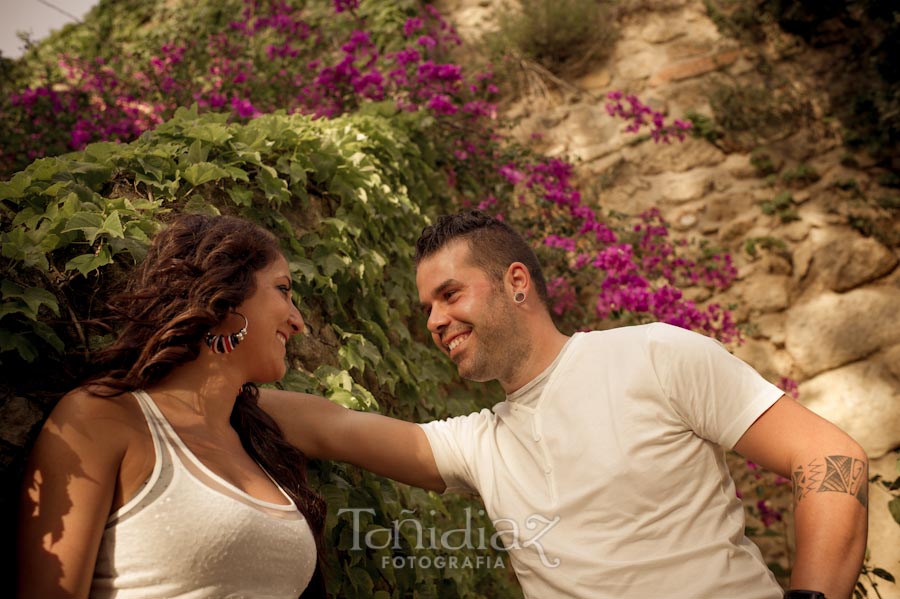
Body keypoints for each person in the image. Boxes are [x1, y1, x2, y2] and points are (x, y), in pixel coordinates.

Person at [260, 210, 868, 599]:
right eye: (427, 310)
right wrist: (189, 382)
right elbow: (331, 426)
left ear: (516, 283)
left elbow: (828, 455)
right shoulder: (479, 445)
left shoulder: (654, 355)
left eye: (449, 295)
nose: (436, 322)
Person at [16, 214, 326, 599]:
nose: (298, 321)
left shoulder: (257, 437)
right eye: (283, 290)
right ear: (227, 296)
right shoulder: (100, 417)